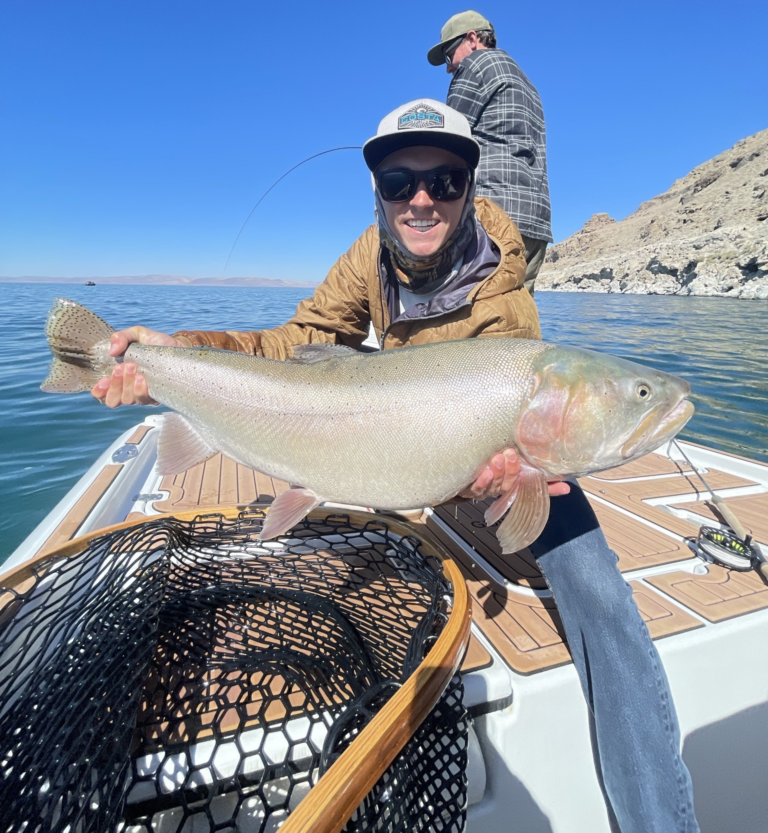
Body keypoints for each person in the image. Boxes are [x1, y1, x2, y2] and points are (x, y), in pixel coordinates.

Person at [94, 98, 699, 833]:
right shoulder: (366, 256)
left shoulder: (504, 293)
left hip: (483, 460)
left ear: (469, 188)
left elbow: (513, 469)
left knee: (595, 588)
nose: (420, 198)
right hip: (397, 442)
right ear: (379, 192)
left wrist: (512, 483)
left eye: (444, 181)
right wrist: (174, 353)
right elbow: (301, 343)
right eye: (398, 182)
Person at [428, 10, 552, 293]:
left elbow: (448, 140)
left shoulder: (475, 65)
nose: (449, 67)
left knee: (473, 318)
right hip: (535, 223)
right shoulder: (528, 84)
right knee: (518, 318)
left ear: (471, 38)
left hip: (493, 217)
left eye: (449, 55)